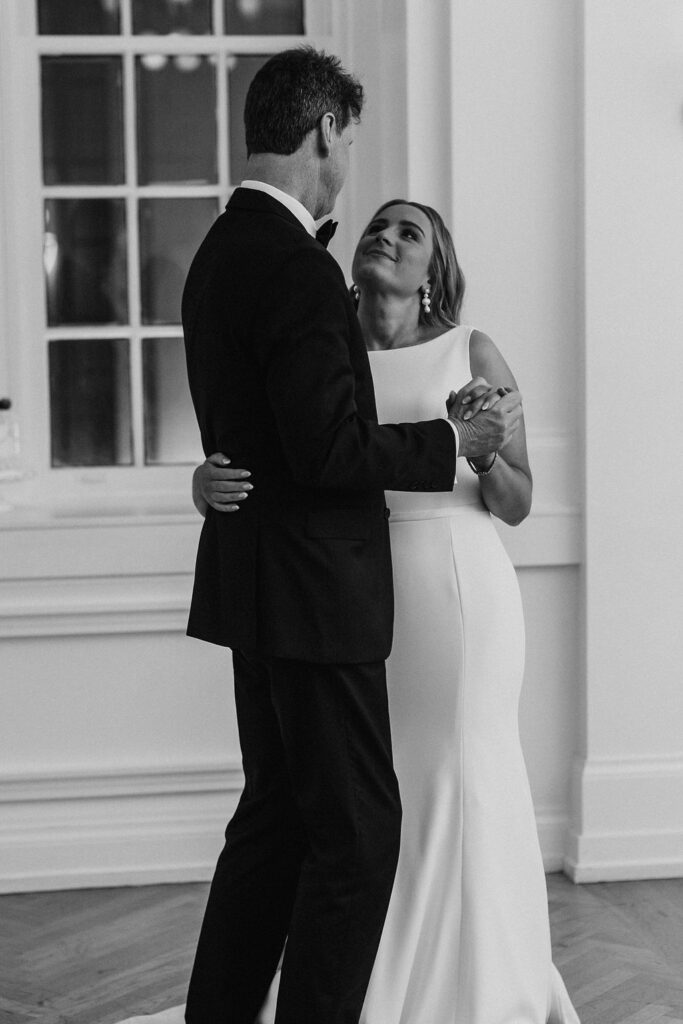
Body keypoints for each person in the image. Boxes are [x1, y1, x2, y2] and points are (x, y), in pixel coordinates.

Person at [155, 48, 521, 1024]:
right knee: (356, 840)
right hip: (318, 598)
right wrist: (450, 439)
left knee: (275, 823)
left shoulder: (217, 254)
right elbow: (324, 448)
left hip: (263, 589)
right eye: (348, 139)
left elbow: (262, 431)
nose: (349, 161)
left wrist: (219, 473)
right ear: (323, 132)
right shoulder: (297, 268)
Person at [191, 200, 581, 1024]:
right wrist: (202, 480)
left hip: (452, 587)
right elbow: (282, 445)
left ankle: (467, 982)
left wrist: (476, 443)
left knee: (457, 768)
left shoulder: (470, 352)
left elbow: (515, 501)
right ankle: (372, 980)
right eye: (379, 225)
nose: (386, 238)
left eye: (410, 233)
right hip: (340, 590)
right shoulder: (326, 338)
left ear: (434, 269)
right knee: (366, 791)